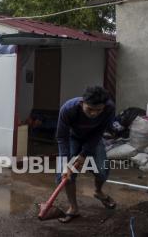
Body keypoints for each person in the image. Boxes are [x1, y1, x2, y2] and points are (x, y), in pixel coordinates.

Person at [56, 86, 116, 223]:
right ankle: (73, 207)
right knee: (66, 174)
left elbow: (99, 132)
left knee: (102, 171)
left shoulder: (109, 108)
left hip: (94, 138)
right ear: (82, 103)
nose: (94, 113)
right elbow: (61, 137)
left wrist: (84, 154)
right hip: (72, 138)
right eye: (90, 109)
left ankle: (98, 191)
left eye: (98, 110)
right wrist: (66, 164)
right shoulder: (68, 109)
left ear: (104, 107)